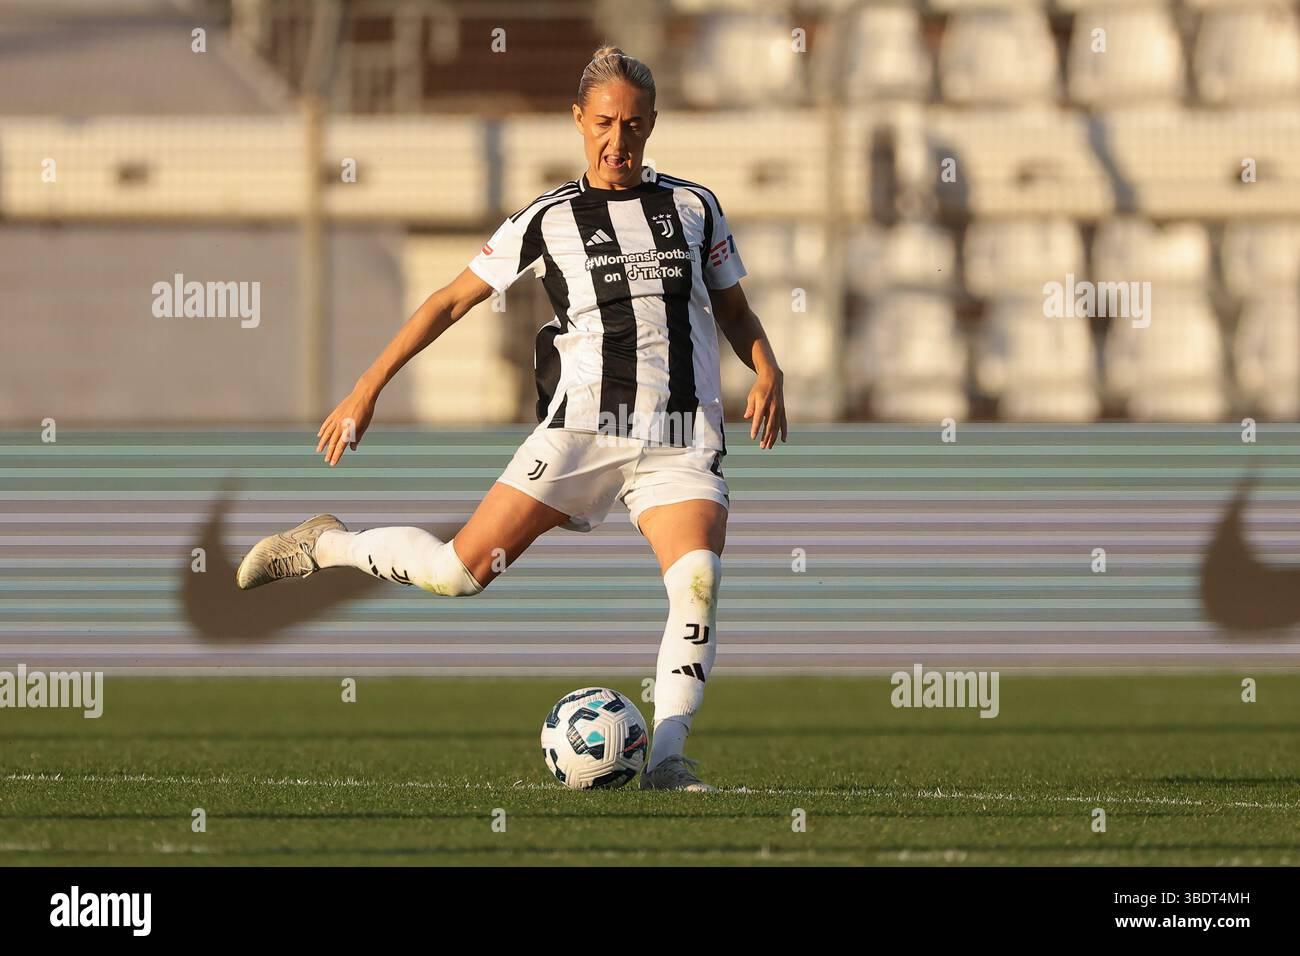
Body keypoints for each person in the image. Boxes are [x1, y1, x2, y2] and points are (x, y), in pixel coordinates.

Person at [236, 46, 787, 792]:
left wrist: (769, 367)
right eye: (603, 123)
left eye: (632, 125)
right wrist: (367, 388)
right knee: (457, 574)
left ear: (653, 125)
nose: (616, 141)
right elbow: (447, 302)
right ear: (577, 120)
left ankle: (668, 759)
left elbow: (733, 309)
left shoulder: (694, 206)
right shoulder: (548, 219)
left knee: (697, 583)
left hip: (680, 438)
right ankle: (326, 544)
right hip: (583, 432)